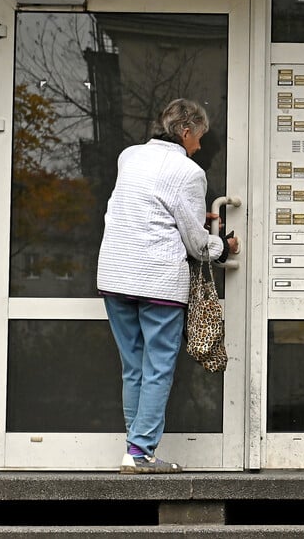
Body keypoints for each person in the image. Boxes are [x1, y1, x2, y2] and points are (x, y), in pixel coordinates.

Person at [97, 98, 239, 474]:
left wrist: (192, 214)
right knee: (158, 367)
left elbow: (147, 206)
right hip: (157, 279)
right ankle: (140, 452)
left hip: (115, 273)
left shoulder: (129, 156)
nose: (200, 146)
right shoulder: (189, 171)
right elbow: (195, 243)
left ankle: (135, 447)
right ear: (186, 130)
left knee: (134, 367)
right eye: (200, 138)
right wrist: (223, 246)